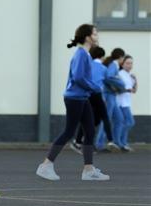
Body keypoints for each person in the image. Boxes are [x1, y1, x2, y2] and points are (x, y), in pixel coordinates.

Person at [36, 24, 110, 181]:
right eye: (95, 34)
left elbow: (83, 78)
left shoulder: (86, 54)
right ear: (88, 36)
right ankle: (46, 165)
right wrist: (94, 87)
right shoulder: (81, 54)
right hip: (74, 98)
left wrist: (91, 87)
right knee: (69, 131)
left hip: (82, 98)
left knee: (89, 131)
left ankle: (88, 170)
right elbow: (78, 77)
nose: (97, 36)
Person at [70, 46, 120, 154]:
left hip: (86, 94)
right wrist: (120, 84)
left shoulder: (87, 65)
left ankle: (78, 141)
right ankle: (110, 140)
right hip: (96, 94)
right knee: (104, 117)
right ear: (101, 56)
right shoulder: (103, 68)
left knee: (88, 119)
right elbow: (109, 80)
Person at [96, 48, 125, 151]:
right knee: (106, 120)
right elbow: (108, 77)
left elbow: (108, 78)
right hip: (109, 96)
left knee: (119, 119)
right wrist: (120, 85)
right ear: (121, 57)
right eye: (123, 58)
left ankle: (116, 143)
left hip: (112, 96)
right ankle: (99, 144)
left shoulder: (113, 64)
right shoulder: (114, 65)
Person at [117, 55, 137, 152]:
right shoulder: (120, 74)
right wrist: (126, 89)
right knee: (129, 122)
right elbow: (117, 88)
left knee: (125, 123)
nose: (130, 65)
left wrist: (135, 80)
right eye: (127, 63)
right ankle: (121, 143)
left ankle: (121, 143)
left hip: (127, 103)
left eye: (131, 63)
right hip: (120, 103)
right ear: (122, 64)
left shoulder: (130, 75)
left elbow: (134, 90)